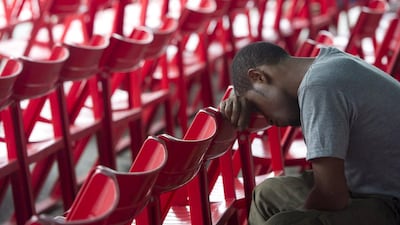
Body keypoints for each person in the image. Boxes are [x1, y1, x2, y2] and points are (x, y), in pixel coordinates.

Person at [219, 41, 400, 225]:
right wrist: (242, 90)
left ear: (258, 76)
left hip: (391, 201)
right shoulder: (328, 64)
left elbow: (332, 196)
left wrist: (299, 216)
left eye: (257, 107)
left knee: (283, 222)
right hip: (369, 186)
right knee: (266, 194)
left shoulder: (319, 87)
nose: (268, 120)